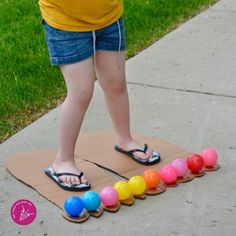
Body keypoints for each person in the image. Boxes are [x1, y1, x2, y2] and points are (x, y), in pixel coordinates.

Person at [39, 0, 160, 191]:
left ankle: (126, 140)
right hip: (66, 22)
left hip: (108, 16)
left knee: (116, 83)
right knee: (81, 92)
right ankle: (62, 161)